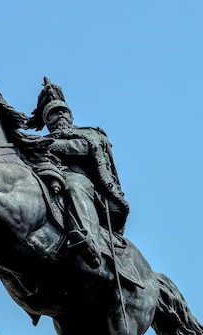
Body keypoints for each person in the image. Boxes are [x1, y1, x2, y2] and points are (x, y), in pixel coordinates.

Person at [25, 78, 129, 269]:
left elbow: (81, 148)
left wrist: (46, 145)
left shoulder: (88, 134)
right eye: (53, 114)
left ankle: (90, 241)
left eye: (63, 111)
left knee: (74, 185)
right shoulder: (40, 143)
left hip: (86, 184)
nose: (60, 116)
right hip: (49, 179)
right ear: (47, 121)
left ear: (71, 116)